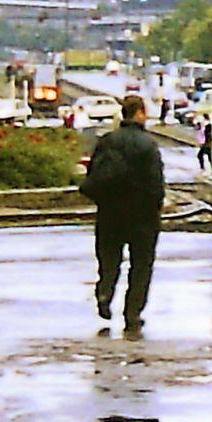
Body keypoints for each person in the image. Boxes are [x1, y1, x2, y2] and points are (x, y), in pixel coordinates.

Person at [79, 95, 165, 331]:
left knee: (108, 260)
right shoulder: (148, 144)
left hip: (109, 213)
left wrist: (104, 201)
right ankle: (132, 313)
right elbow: (156, 183)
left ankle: (105, 293)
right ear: (139, 113)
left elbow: (93, 175)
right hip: (142, 217)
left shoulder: (107, 141)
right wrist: (155, 207)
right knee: (141, 265)